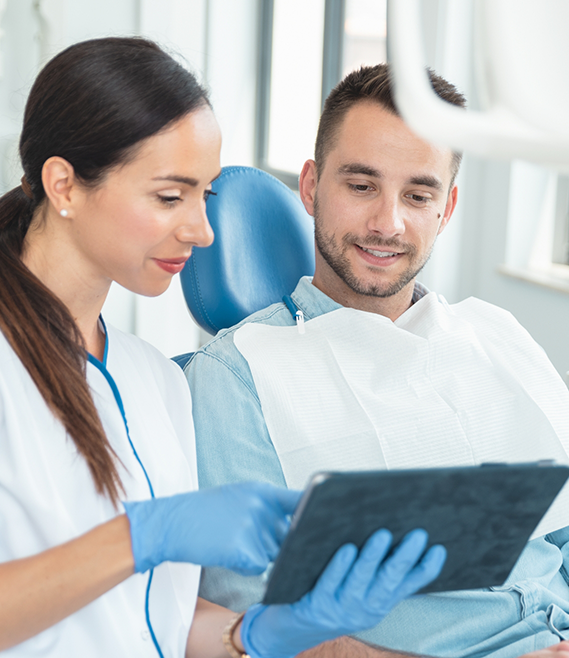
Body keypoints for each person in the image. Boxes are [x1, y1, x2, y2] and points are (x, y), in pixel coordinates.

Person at [0, 40, 450, 657]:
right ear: (65, 186)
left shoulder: (152, 380)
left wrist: (270, 632)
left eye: (205, 196)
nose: (202, 231)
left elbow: (163, 620)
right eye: (168, 197)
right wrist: (142, 536)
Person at [186, 63, 569, 658]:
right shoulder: (237, 375)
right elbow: (253, 626)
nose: (387, 223)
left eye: (418, 195)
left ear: (446, 209)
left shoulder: (496, 333)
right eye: (361, 186)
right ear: (311, 187)